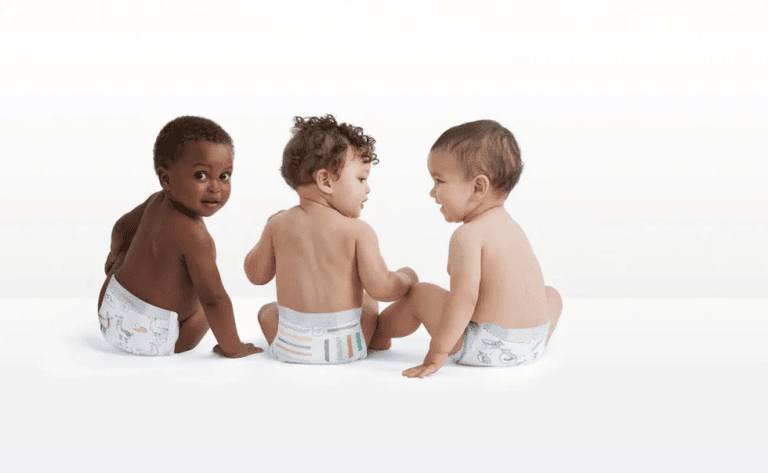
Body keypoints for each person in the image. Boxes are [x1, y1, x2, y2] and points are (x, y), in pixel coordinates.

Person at [369, 119, 563, 377]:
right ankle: (526, 340)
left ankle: (379, 335)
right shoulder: (512, 227)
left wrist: (438, 351)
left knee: (420, 293)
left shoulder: (467, 235)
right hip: (534, 345)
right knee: (550, 294)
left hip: (485, 347)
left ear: (477, 187)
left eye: (439, 181)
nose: (432, 192)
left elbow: (464, 298)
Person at [245, 114, 417, 364]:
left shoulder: (278, 225)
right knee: (368, 305)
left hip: (290, 347)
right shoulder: (358, 230)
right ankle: (376, 340)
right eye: (361, 178)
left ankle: (294, 344)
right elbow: (382, 288)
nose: (367, 189)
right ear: (325, 181)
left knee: (267, 312)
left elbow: (255, 275)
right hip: (345, 348)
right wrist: (405, 278)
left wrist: (268, 227)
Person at [97, 116, 261, 358]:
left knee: (131, 254)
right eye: (201, 176)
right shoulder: (195, 236)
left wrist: (114, 255)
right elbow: (214, 299)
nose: (215, 187)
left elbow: (122, 227)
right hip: (149, 338)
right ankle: (194, 343)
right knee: (206, 308)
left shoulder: (156, 201)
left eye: (224, 176)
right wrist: (233, 347)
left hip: (108, 312)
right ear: (166, 179)